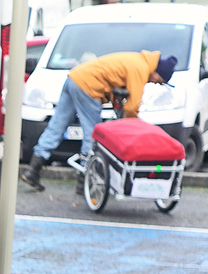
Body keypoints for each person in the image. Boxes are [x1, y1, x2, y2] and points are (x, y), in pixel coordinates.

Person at [21, 50, 176, 191]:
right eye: (160, 80)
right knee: (92, 135)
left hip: (74, 79)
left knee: (56, 127)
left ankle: (33, 170)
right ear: (158, 72)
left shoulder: (136, 60)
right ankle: (85, 180)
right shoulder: (141, 69)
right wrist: (131, 127)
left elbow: (116, 83)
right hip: (89, 86)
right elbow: (132, 106)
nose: (156, 82)